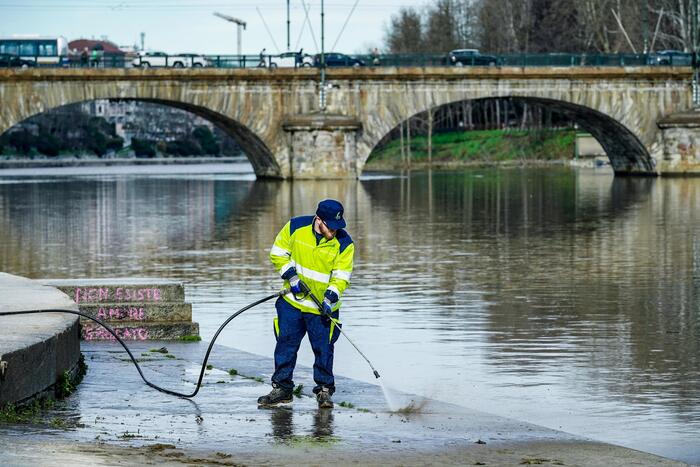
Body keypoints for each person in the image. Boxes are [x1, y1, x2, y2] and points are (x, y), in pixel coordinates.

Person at [259, 199, 354, 409]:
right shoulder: (295, 227)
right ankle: (282, 389)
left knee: (324, 350)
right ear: (318, 220)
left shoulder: (345, 243)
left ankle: (324, 391)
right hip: (292, 303)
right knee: (285, 345)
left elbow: (341, 276)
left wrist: (330, 297)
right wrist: (291, 277)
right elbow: (278, 253)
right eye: (330, 226)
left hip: (323, 308)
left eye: (337, 227)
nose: (333, 232)